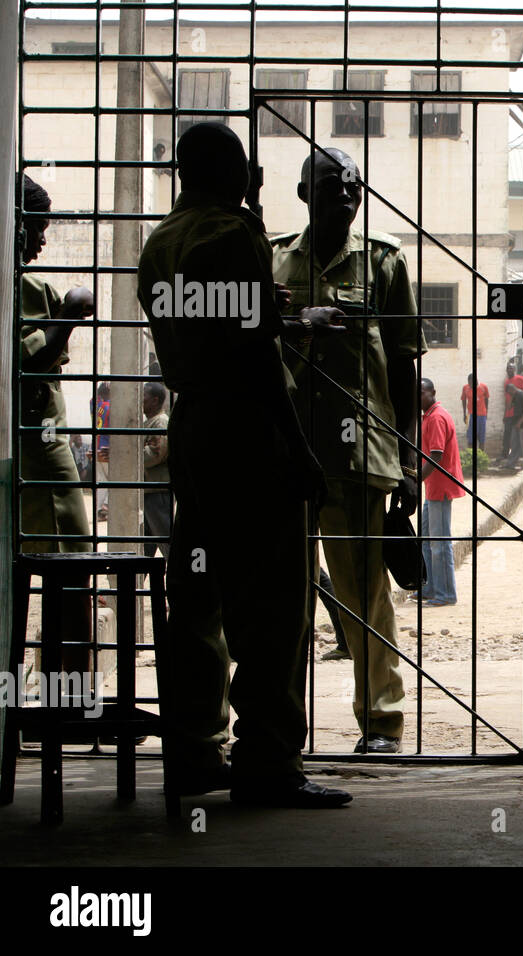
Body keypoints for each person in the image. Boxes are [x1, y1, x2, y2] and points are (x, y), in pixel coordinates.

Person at [137, 122, 350, 807]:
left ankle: (195, 748)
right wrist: (299, 448)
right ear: (231, 173)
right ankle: (268, 761)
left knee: (197, 596)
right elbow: (256, 357)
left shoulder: (160, 243)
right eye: (249, 171)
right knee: (275, 602)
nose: (256, 182)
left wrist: (266, 315)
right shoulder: (234, 234)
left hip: (193, 426)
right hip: (249, 430)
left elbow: (216, 324)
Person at [271, 146, 423, 756]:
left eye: (354, 187)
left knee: (364, 595)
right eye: (331, 186)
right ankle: (274, 727)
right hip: (285, 454)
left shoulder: (384, 261)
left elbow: (406, 363)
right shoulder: (275, 258)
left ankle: (380, 723)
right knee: (282, 593)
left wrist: (410, 461)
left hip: (359, 458)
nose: (345, 195)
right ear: (305, 193)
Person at [17, 173, 95, 680]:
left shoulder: (31, 288)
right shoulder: (29, 291)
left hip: (38, 445)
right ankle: (68, 701)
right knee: (71, 569)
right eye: (37, 227)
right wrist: (67, 312)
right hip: (37, 449)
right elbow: (28, 365)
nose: (43, 240)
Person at [418, 379, 464, 607]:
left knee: (439, 542)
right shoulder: (429, 415)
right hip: (433, 487)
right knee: (427, 539)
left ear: (432, 393)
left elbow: (436, 454)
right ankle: (430, 587)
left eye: (422, 393)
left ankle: (445, 594)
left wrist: (418, 477)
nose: (418, 397)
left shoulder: (436, 417)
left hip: (441, 486)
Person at [140, 381, 171, 559]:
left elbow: (153, 455)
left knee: (166, 542)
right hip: (149, 491)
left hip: (157, 493)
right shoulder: (149, 423)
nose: (140, 400)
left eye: (143, 396)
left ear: (154, 400)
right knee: (145, 547)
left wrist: (127, 454)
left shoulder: (160, 423)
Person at [501, 364, 523, 470]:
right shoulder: (515, 396)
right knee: (514, 443)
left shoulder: (521, 395)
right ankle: (511, 463)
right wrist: (511, 398)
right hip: (515, 422)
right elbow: (509, 407)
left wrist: (520, 422)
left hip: (521, 424)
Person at [94, 382, 110, 521]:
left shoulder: (98, 406)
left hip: (98, 446)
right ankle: (106, 506)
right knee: (113, 479)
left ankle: (99, 509)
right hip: (107, 449)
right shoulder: (111, 407)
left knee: (101, 480)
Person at [460, 372, 489, 451]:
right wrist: (464, 414)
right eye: (468, 383)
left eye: (471, 383)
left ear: (476, 381)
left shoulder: (484, 387)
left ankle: (480, 457)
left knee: (481, 438)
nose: (470, 385)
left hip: (481, 415)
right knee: (470, 438)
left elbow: (486, 399)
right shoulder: (465, 388)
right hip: (470, 415)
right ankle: (470, 456)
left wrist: (486, 412)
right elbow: (463, 400)